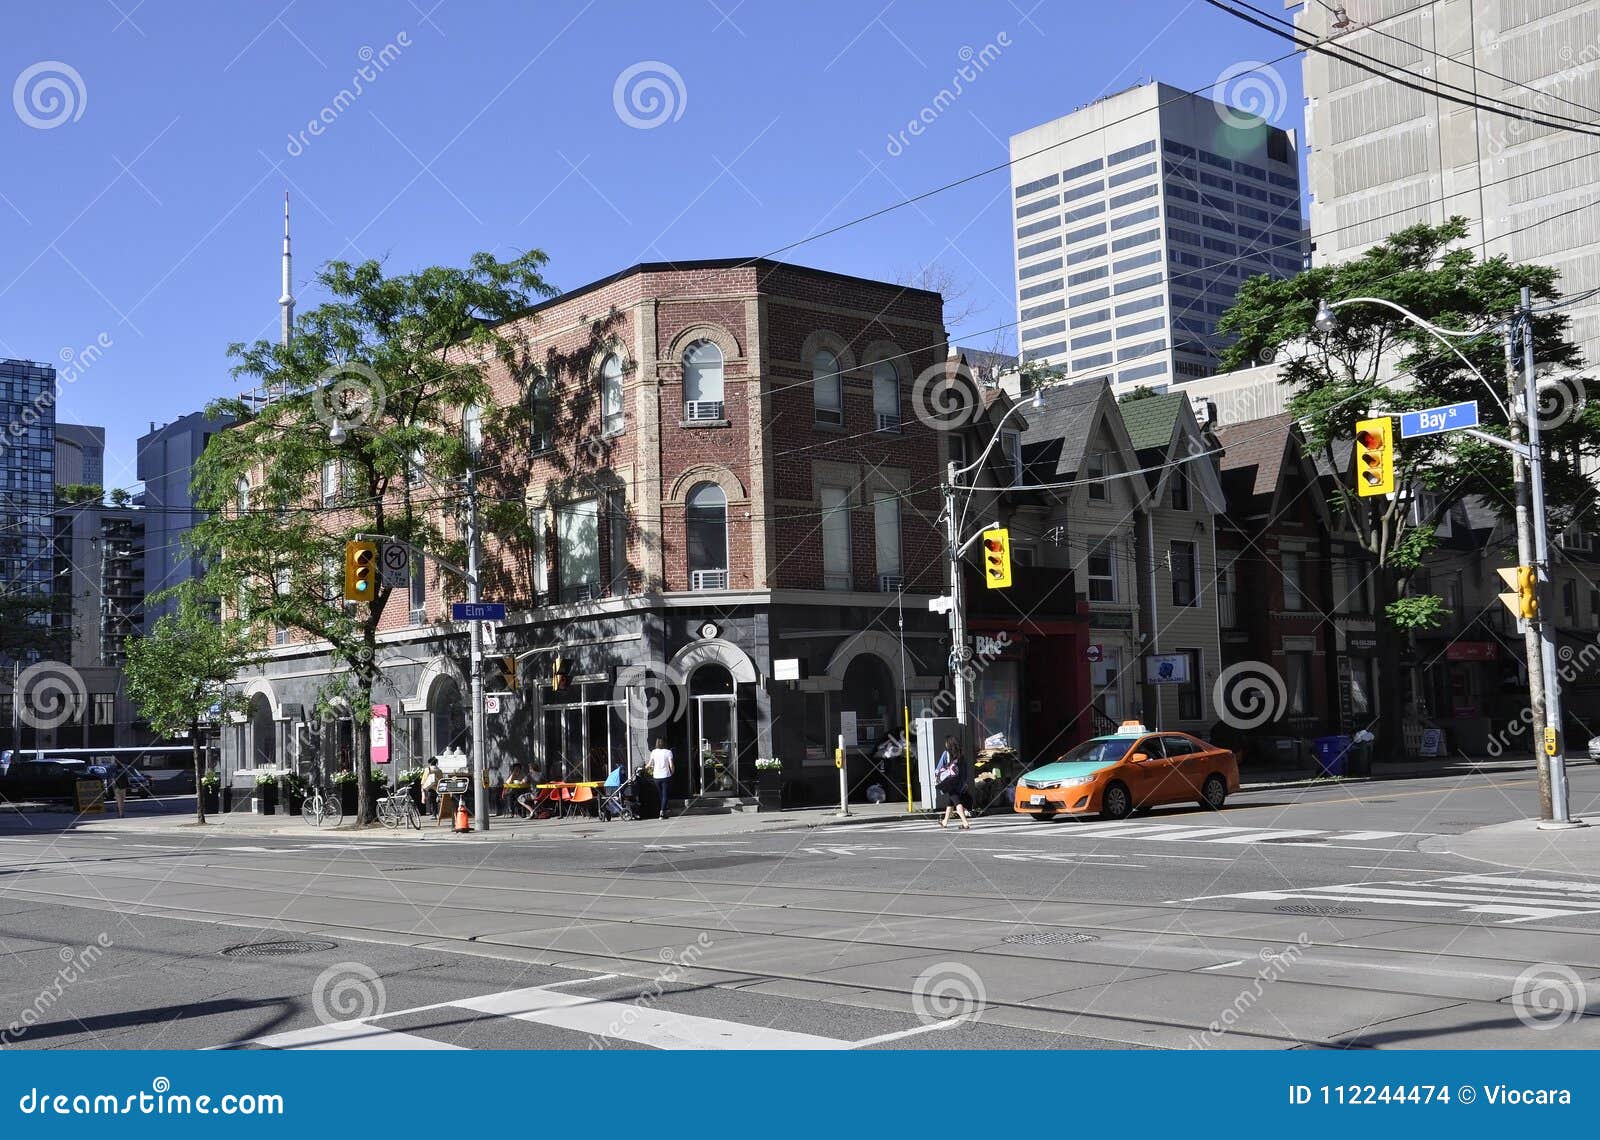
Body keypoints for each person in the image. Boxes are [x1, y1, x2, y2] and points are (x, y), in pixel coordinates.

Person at [936, 735, 971, 831]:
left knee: (957, 802)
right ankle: (945, 822)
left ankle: (965, 822)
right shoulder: (961, 754)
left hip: (950, 781)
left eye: (946, 742)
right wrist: (965, 782)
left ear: (949, 743)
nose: (945, 744)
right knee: (950, 802)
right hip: (959, 781)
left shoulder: (946, 753)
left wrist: (938, 776)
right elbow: (964, 770)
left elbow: (939, 767)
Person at [647, 738, 674, 819]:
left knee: (661, 794)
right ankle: (662, 812)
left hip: (656, 776)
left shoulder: (654, 752)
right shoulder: (668, 752)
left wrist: (644, 767)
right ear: (664, 743)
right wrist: (672, 772)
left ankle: (665, 810)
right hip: (665, 775)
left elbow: (649, 764)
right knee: (665, 794)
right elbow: (671, 764)